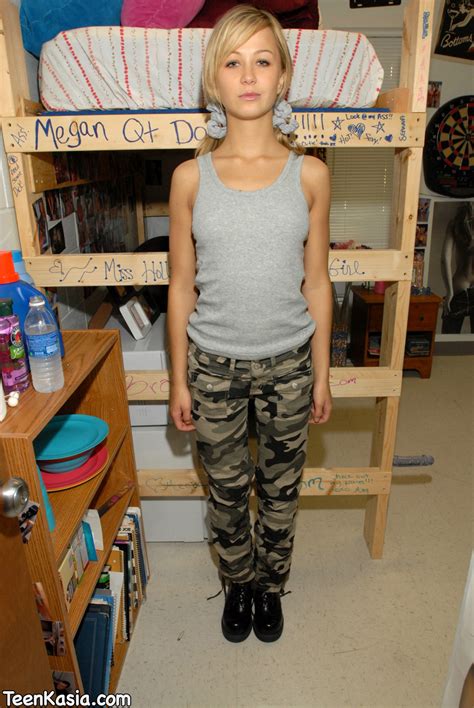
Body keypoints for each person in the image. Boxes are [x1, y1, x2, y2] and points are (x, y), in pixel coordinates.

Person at [167, 4, 332, 643]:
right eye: (233, 62)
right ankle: (238, 583)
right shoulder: (190, 178)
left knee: (281, 490)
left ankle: (270, 586)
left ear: (282, 76)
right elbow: (181, 286)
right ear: (215, 79)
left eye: (263, 61)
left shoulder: (309, 174)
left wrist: (322, 375)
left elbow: (317, 283)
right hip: (213, 366)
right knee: (227, 492)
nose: (248, 75)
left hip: (290, 364)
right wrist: (179, 381)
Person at [441, 202, 473, 334]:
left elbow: (445, 259)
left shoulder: (455, 224)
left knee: (447, 339)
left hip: (459, 288)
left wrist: (449, 292)